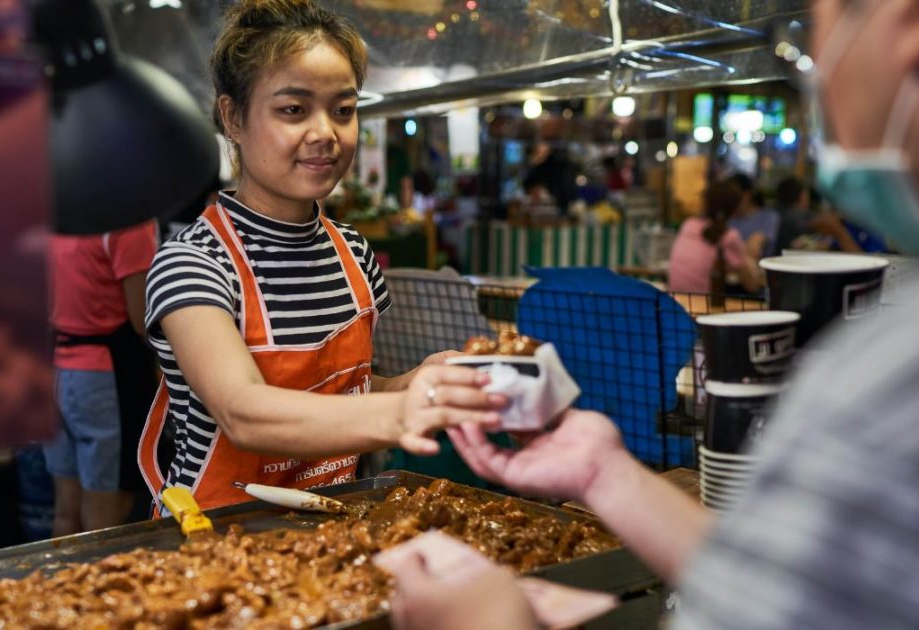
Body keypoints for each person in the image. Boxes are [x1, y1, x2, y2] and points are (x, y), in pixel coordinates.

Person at [390, 1, 919, 628]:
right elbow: (796, 591)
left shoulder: (887, 380)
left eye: (818, 28)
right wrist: (606, 473)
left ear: (904, 30)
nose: (812, 66)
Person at [138, 0, 503, 512]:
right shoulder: (192, 264)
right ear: (233, 118)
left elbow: (343, 394)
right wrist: (405, 410)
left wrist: (414, 382)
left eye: (343, 110)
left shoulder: (352, 252)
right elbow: (244, 413)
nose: (325, 134)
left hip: (331, 524)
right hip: (217, 540)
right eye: (293, 109)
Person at [45, 219, 159, 535]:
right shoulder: (128, 221)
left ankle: (61, 584)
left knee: (66, 512)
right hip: (103, 378)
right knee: (108, 514)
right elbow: (142, 318)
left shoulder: (59, 211)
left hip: (54, 369)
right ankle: (97, 584)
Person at [667, 181, 764, 294]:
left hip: (674, 303)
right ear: (735, 207)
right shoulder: (728, 236)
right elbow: (751, 285)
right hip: (703, 307)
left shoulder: (688, 224)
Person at [727, 172, 781, 259]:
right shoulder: (726, 217)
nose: (729, 199)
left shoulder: (768, 217)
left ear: (747, 195)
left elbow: (755, 248)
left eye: (732, 195)